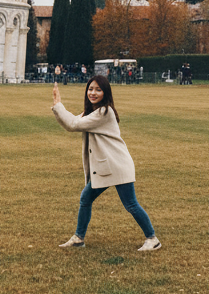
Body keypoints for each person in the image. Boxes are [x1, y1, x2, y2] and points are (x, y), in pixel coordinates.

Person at [50, 75, 161, 253]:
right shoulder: (93, 112)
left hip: (117, 165)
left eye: (98, 90)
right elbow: (72, 122)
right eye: (90, 89)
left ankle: (152, 239)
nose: (93, 93)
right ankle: (79, 238)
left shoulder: (104, 112)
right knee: (86, 198)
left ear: (105, 92)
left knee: (131, 204)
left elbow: (73, 124)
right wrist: (58, 108)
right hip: (105, 167)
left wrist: (58, 104)